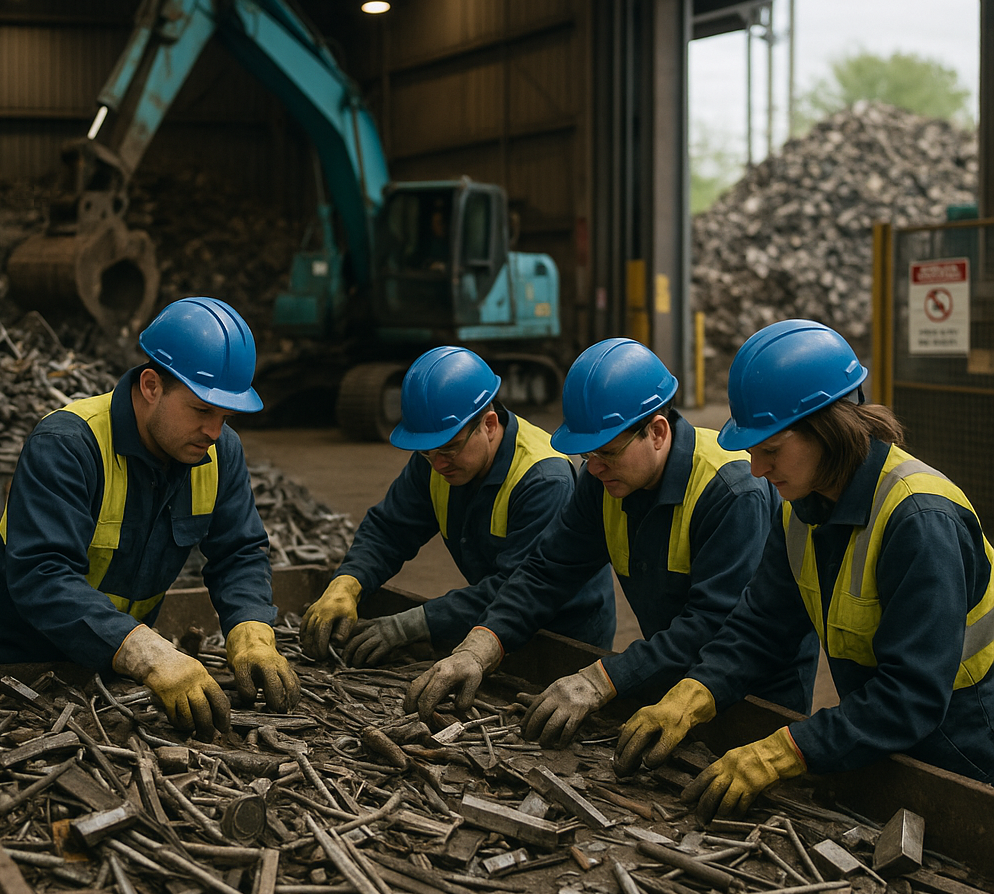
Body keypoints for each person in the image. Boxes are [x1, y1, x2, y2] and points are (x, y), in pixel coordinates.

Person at [614, 319, 994, 824]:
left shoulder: (919, 520)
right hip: (879, 737)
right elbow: (761, 626)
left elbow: (909, 698)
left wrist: (781, 751)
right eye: (752, 451)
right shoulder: (803, 506)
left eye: (770, 451)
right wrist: (692, 694)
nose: (756, 470)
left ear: (830, 429)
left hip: (962, 750)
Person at [403, 338, 817, 738]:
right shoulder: (602, 479)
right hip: (675, 669)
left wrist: (603, 679)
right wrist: (481, 645)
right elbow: (549, 569)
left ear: (656, 431)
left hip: (757, 687)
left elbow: (715, 623)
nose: (595, 468)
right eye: (589, 455)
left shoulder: (729, 492)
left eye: (608, 452)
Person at [0, 297, 300, 738]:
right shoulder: (68, 445)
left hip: (105, 675)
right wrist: (147, 652)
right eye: (202, 410)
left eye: (226, 415)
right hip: (7, 673)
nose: (215, 431)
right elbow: (42, 574)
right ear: (150, 386)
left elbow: (238, 551)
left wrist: (251, 626)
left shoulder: (220, 452)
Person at [299, 345, 617, 666]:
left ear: (489, 424)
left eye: (449, 450)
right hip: (490, 622)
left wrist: (408, 625)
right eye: (427, 452)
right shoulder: (438, 452)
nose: (437, 464)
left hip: (562, 636)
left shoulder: (544, 479)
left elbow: (517, 587)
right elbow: (390, 529)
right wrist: (348, 583)